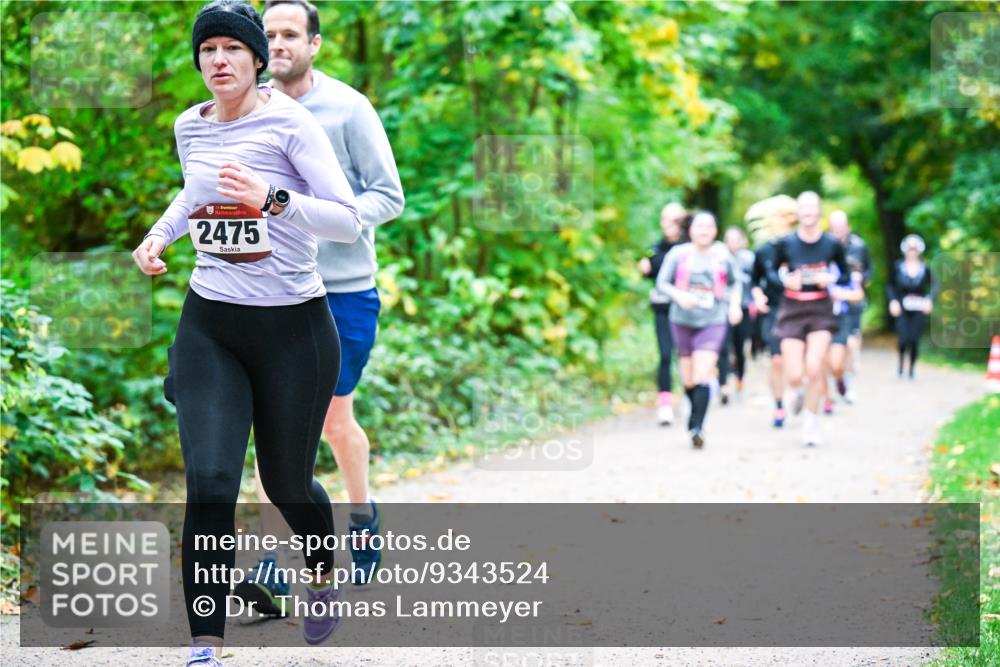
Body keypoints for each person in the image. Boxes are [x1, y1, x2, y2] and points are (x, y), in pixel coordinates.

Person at [131, 0, 360, 661]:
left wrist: (272, 199)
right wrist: (160, 235)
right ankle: (205, 643)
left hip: (294, 329)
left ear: (258, 59)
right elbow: (193, 192)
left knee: (287, 483)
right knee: (209, 482)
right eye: (208, 50)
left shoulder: (291, 124)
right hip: (211, 323)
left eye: (232, 48)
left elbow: (347, 221)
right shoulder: (190, 125)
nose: (219, 60)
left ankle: (321, 572)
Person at [232, 0, 405, 615]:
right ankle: (272, 564)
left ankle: (361, 513)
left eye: (289, 34)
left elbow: (389, 196)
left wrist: (329, 218)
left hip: (342, 292)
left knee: (332, 423)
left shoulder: (348, 109)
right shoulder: (244, 110)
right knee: (272, 427)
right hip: (272, 289)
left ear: (314, 44)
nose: (278, 44)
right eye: (269, 34)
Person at [655, 211, 742, 449]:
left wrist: (734, 305)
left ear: (715, 231)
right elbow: (662, 283)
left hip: (713, 320)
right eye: (699, 226)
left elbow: (736, 282)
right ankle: (694, 417)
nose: (704, 231)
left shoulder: (722, 254)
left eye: (709, 226)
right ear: (691, 230)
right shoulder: (678, 254)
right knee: (688, 379)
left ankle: (697, 427)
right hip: (682, 320)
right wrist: (679, 296)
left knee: (702, 374)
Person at [770, 192, 849, 446]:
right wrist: (785, 279)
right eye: (803, 207)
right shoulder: (786, 243)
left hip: (820, 309)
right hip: (792, 309)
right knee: (794, 375)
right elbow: (770, 271)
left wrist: (831, 278)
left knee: (815, 368)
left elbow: (846, 275)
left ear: (819, 211)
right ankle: (797, 391)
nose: (808, 212)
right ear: (798, 212)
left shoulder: (831, 244)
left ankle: (810, 424)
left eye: (812, 207)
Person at [746, 195, 798, 428]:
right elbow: (754, 281)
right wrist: (757, 296)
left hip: (801, 309)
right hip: (775, 310)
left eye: (785, 217)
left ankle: (798, 389)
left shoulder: (800, 246)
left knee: (796, 360)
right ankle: (779, 405)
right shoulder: (763, 251)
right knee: (777, 360)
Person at [638, 202, 687, 425]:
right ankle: (665, 405)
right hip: (663, 309)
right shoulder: (654, 249)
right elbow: (652, 275)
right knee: (666, 355)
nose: (668, 224)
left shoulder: (690, 248)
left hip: (687, 310)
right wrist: (644, 270)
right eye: (665, 219)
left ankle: (690, 395)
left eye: (674, 219)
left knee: (686, 355)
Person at [827, 210, 872, 400]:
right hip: (829, 305)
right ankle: (835, 381)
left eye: (841, 227)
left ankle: (846, 381)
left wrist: (861, 278)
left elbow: (870, 271)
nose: (838, 230)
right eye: (834, 227)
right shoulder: (825, 246)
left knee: (851, 345)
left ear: (848, 227)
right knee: (831, 348)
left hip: (852, 302)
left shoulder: (859, 246)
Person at [887, 234, 937, 379]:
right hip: (902, 308)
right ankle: (901, 364)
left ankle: (912, 369)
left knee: (914, 340)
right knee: (903, 339)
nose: (912, 251)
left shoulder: (924, 268)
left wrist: (929, 300)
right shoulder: (898, 267)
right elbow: (890, 285)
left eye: (914, 248)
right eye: (910, 248)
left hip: (918, 308)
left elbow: (934, 286)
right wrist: (893, 301)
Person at [820, 261, 865, 415]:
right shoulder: (815, 266)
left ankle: (840, 380)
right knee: (822, 360)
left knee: (836, 364)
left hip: (840, 320)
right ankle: (827, 398)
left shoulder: (845, 269)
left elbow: (858, 294)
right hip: (819, 319)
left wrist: (841, 294)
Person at [717, 227, 755, 404]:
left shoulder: (749, 258)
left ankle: (740, 380)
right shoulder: (719, 257)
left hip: (744, 308)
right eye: (729, 240)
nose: (733, 243)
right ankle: (723, 385)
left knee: (740, 348)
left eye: (736, 239)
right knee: (723, 347)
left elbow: (755, 281)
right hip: (722, 309)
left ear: (742, 241)